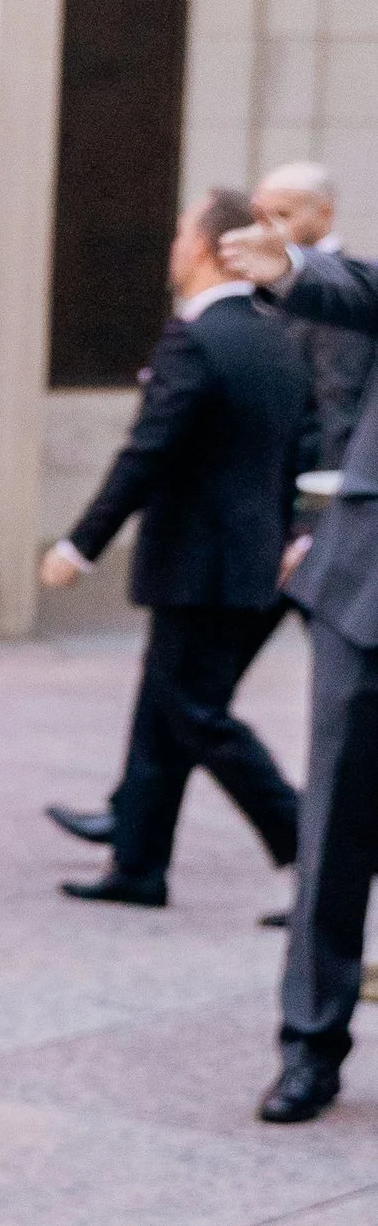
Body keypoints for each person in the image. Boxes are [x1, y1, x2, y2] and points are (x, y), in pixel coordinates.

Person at [41, 188, 307, 909]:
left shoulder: (198, 338)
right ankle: (138, 862)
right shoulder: (276, 333)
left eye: (180, 233)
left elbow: (146, 455)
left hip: (199, 563)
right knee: (166, 709)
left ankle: (307, 838)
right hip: (248, 559)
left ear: (201, 248)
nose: (172, 248)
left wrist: (80, 544)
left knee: (195, 713)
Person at [215, 203, 378, 1118]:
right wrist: (289, 267)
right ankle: (311, 1046)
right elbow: (356, 286)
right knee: (336, 834)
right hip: (367, 596)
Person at [250, 160, 371, 469]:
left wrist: (323, 493)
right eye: (262, 217)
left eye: (284, 214)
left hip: (309, 479)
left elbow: (338, 402)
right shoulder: (272, 281)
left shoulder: (343, 294)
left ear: (325, 214)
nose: (270, 229)